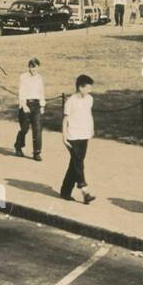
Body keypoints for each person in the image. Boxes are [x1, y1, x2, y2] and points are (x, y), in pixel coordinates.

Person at [60, 74, 96, 204]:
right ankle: (84, 189)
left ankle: (65, 191)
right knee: (78, 163)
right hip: (72, 137)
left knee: (75, 164)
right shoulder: (70, 102)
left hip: (84, 135)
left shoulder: (89, 99)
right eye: (87, 88)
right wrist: (64, 137)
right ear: (80, 87)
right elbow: (65, 120)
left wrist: (91, 130)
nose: (90, 90)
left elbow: (88, 115)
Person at [13, 58, 46, 161]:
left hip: (36, 105)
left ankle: (37, 152)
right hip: (26, 104)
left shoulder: (39, 78)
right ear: (29, 67)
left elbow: (41, 92)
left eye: (35, 67)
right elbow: (21, 91)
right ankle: (18, 146)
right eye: (31, 67)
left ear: (38, 68)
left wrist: (42, 105)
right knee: (24, 128)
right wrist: (24, 105)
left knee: (37, 129)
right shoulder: (23, 77)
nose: (33, 69)